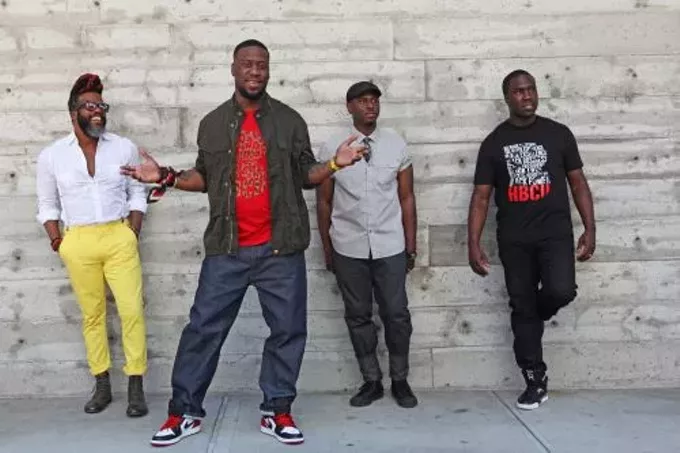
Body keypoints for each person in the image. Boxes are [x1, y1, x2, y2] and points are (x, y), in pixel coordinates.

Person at [120, 39, 365, 447]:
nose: (255, 71)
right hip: (227, 248)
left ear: (269, 70)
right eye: (247, 64)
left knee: (288, 330)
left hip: (280, 249)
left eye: (262, 65)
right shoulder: (213, 123)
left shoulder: (289, 120)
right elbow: (204, 177)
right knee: (203, 330)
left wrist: (336, 163)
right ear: (233, 68)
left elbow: (306, 176)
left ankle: (277, 411)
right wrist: (165, 176)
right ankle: (184, 413)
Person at [467, 69, 596, 410]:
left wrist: (590, 227)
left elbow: (578, 183)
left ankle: (530, 316)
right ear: (507, 98)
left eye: (531, 89)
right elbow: (481, 197)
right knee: (521, 306)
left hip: (555, 235)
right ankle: (534, 379)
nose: (526, 95)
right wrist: (473, 243)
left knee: (561, 291)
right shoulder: (494, 143)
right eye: (519, 91)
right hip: (515, 240)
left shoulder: (558, 134)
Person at [36, 73, 149, 417]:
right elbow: (47, 204)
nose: (97, 111)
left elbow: (137, 192)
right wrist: (58, 240)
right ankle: (102, 385)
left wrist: (132, 231)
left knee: (131, 310)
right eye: (90, 106)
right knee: (93, 315)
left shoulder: (123, 147)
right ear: (74, 112)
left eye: (101, 106)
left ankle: (136, 386)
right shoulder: (52, 156)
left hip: (118, 236)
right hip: (78, 240)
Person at [316, 81, 418, 409]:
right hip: (348, 245)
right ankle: (371, 380)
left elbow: (407, 197)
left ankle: (400, 380)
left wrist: (411, 245)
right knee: (358, 315)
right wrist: (327, 248)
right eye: (362, 100)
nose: (370, 105)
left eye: (374, 100)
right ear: (349, 107)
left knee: (396, 314)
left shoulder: (396, 144)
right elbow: (324, 202)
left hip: (390, 244)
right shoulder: (332, 147)